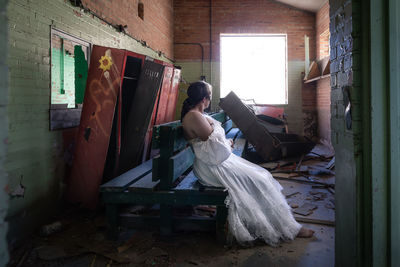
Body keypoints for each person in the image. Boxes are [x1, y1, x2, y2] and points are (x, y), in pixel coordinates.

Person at [181, 81, 314, 246]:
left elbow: (217, 145)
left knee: (263, 178)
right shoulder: (194, 116)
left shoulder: (200, 115)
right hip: (212, 167)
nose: (210, 98)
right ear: (204, 99)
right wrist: (225, 143)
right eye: (210, 95)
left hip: (218, 161)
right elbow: (217, 149)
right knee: (258, 182)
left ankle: (286, 224)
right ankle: (285, 227)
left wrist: (225, 143)